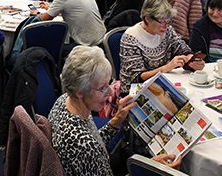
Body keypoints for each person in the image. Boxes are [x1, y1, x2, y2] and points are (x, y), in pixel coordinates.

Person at [48, 46, 181, 176]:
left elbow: (96, 141)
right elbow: (91, 146)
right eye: (102, 88)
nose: (111, 92)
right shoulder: (83, 145)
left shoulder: (64, 100)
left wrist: (117, 120)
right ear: (80, 92)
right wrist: (148, 169)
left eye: (109, 84)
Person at [119, 0, 205, 94]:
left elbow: (181, 48)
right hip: (136, 92)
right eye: (162, 21)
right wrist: (165, 68)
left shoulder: (167, 30)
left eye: (168, 21)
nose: (166, 26)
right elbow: (137, 77)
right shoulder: (131, 38)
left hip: (161, 87)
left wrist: (191, 59)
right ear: (147, 18)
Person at [36, 0, 106, 50]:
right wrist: (50, 8)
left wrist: (36, 13)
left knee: (50, 47)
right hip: (102, 39)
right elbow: (73, 10)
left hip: (86, 45)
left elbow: (44, 19)